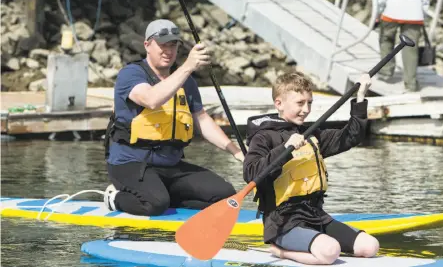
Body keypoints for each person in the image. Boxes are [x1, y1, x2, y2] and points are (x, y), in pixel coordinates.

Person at [103, 19, 244, 216]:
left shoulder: (187, 83)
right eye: (162, 45)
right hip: (130, 162)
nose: (168, 51)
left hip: (171, 164)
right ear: (147, 45)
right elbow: (151, 99)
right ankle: (115, 198)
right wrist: (187, 66)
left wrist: (236, 152)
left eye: (173, 45)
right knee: (155, 204)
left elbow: (202, 120)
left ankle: (162, 194)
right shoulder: (131, 74)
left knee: (225, 195)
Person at [243, 71, 379, 264]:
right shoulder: (264, 137)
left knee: (370, 246)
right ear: (279, 103)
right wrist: (285, 149)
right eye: (300, 103)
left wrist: (360, 97)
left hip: (315, 215)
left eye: (310, 103)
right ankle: (280, 251)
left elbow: (350, 136)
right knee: (330, 251)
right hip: (283, 222)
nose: (306, 109)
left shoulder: (310, 134)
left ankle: (315, 242)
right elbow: (251, 173)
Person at [375, 0, 430, 92]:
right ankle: (411, 84)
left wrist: (378, 12)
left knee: (386, 40)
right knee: (410, 49)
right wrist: (423, 12)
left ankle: (386, 72)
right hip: (414, 14)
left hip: (391, 12)